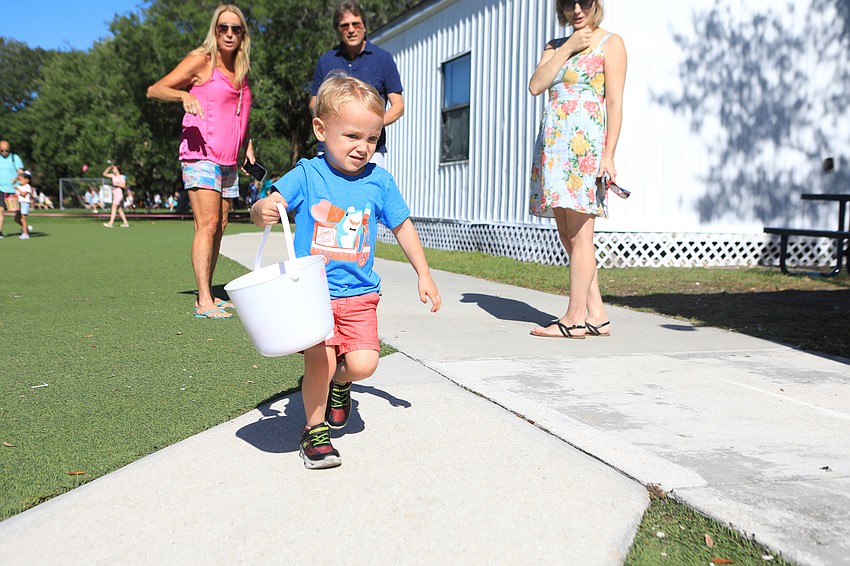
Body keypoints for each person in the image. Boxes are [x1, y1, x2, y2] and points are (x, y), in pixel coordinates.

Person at [251, 72, 441, 469]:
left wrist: (423, 272)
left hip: (359, 295)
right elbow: (266, 205)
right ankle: (314, 431)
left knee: (363, 364)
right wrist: (260, 210)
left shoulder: (379, 181)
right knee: (318, 362)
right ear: (321, 129)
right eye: (352, 136)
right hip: (313, 296)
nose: (362, 148)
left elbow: (403, 225)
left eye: (371, 139)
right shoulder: (307, 174)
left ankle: (342, 384)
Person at [147, 4, 255, 319]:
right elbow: (155, 90)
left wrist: (247, 145)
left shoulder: (242, 69)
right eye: (224, 28)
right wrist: (183, 96)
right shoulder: (202, 61)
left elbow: (240, 114)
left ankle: (208, 291)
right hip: (200, 153)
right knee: (205, 224)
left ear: (243, 34)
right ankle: (203, 300)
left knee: (220, 225)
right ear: (215, 30)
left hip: (229, 159)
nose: (230, 33)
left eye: (236, 29)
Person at [527, 0, 626, 339]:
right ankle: (596, 314)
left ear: (596, 3)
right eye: (569, 2)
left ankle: (573, 319)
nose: (577, 9)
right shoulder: (555, 47)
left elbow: (614, 102)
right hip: (553, 148)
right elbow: (536, 85)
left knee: (583, 235)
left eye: (584, 1)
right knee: (567, 235)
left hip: (585, 148)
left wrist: (609, 154)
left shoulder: (610, 43)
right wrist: (568, 46)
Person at [310, 1, 404, 168]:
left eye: (356, 24)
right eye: (345, 26)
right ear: (338, 30)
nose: (351, 30)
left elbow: (398, 106)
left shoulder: (383, 59)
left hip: (370, 151)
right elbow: (314, 102)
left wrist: (369, 126)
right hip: (330, 149)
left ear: (365, 26)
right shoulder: (326, 60)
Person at [0, 140, 25, 239]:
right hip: (1, 190)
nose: (4, 152)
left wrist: (16, 178)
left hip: (14, 190)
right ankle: (0, 232)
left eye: (6, 150)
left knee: (17, 217)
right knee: (0, 211)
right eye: (2, 150)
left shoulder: (15, 158)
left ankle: (25, 228)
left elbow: (20, 171)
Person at [14, 170, 33, 240]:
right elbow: (17, 195)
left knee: (23, 219)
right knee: (16, 219)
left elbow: (24, 194)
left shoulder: (27, 186)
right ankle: (26, 228)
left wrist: (18, 189)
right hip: (19, 203)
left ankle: (25, 234)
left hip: (25, 203)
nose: (19, 181)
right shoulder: (19, 186)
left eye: (21, 180)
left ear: (27, 180)